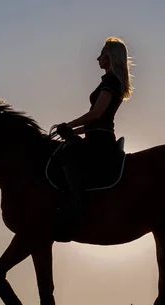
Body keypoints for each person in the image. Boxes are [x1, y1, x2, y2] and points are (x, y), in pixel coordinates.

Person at [54, 37, 134, 232]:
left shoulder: (111, 82)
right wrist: (76, 130)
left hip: (100, 140)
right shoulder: (111, 81)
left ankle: (77, 207)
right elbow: (98, 120)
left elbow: (96, 114)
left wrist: (69, 125)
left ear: (111, 57)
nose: (98, 58)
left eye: (102, 54)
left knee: (68, 156)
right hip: (97, 134)